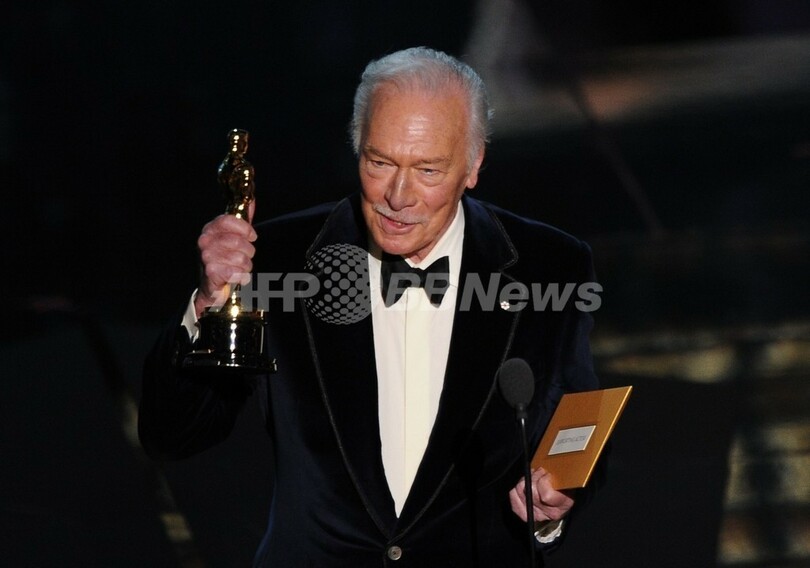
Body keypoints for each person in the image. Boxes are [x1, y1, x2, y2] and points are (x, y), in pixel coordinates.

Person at [139, 46, 601, 567]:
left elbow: (576, 427)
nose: (398, 196)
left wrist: (555, 503)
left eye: (428, 170)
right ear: (356, 148)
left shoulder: (550, 267)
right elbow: (171, 435)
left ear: (473, 165)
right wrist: (208, 303)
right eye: (380, 163)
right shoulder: (277, 262)